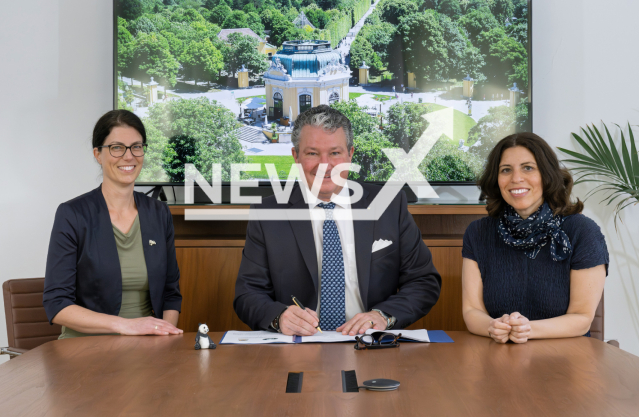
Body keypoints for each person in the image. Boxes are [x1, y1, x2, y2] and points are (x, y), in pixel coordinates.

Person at [234, 105, 441, 336]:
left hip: (370, 345)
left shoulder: (390, 204)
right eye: (312, 153)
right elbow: (248, 294)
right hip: (299, 348)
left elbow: (423, 282)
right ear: (295, 156)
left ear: (350, 155)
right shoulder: (267, 213)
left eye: (335, 153)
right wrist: (279, 317)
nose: (325, 165)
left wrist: (382, 316)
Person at [43, 110, 183, 338]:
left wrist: (163, 336)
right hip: (85, 353)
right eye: (117, 147)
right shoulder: (73, 214)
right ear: (98, 154)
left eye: (136, 147)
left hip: (147, 350)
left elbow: (171, 294)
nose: (129, 156)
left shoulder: (158, 212)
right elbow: (57, 304)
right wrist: (126, 326)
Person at [462, 133, 608, 344]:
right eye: (506, 170)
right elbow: (472, 310)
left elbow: (582, 318)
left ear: (547, 175)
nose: (516, 178)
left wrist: (527, 329)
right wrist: (492, 326)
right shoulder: (478, 233)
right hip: (498, 356)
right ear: (496, 179)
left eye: (528, 167)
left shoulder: (582, 231)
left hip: (568, 360)